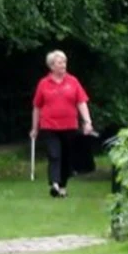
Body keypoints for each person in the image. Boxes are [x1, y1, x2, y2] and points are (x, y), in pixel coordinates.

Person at [29, 49, 94, 198]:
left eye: (64, 62)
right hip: (49, 126)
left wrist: (87, 121)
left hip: (70, 126)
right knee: (54, 154)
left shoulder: (73, 81)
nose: (63, 65)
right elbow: (37, 107)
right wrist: (34, 128)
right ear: (51, 66)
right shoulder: (44, 84)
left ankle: (63, 186)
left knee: (66, 157)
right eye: (60, 62)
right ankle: (55, 183)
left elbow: (81, 102)